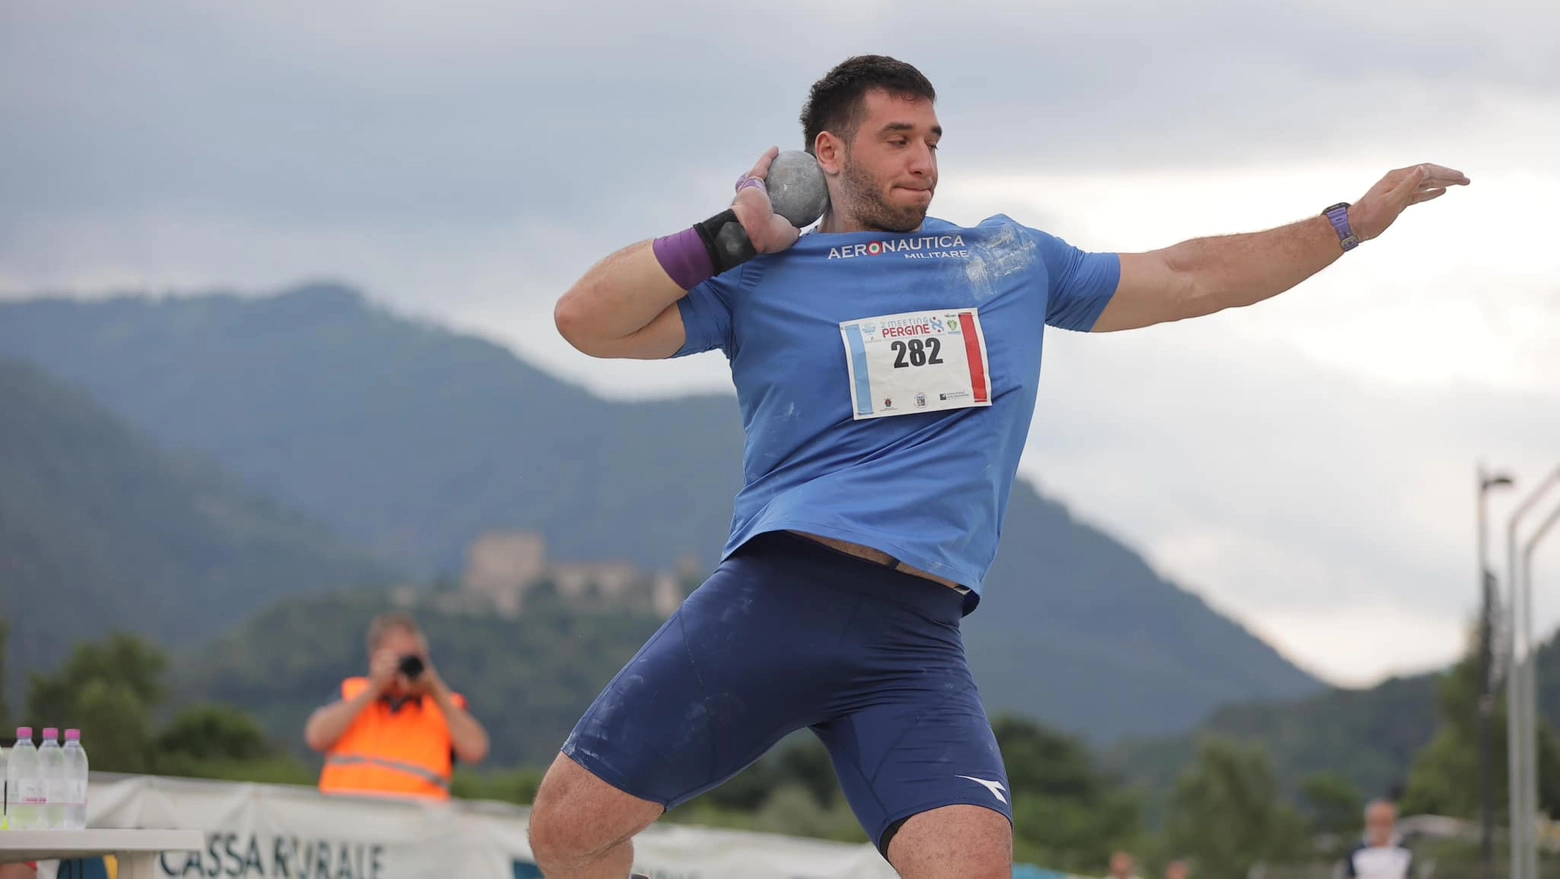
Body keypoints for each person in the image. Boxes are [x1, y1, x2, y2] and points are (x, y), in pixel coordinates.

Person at [530, 54, 1468, 879]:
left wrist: (1350, 223)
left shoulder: (1008, 261)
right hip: (778, 597)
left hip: (914, 640)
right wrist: (728, 236)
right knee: (565, 835)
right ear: (826, 154)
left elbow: (1192, 275)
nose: (923, 161)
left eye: (933, 138)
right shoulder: (763, 281)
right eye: (896, 138)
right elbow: (585, 320)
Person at [304, 612, 488, 800]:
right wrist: (373, 689)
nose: (402, 669)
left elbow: (475, 750)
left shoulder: (445, 705)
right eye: (394, 659)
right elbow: (316, 737)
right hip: (343, 819)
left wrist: (435, 691)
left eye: (410, 660)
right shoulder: (352, 692)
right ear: (374, 658)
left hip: (414, 824)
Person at [1340, 799, 1415, 879]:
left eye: (1385, 822)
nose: (1380, 828)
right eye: (1376, 822)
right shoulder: (1356, 851)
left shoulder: (1405, 851)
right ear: (1368, 822)